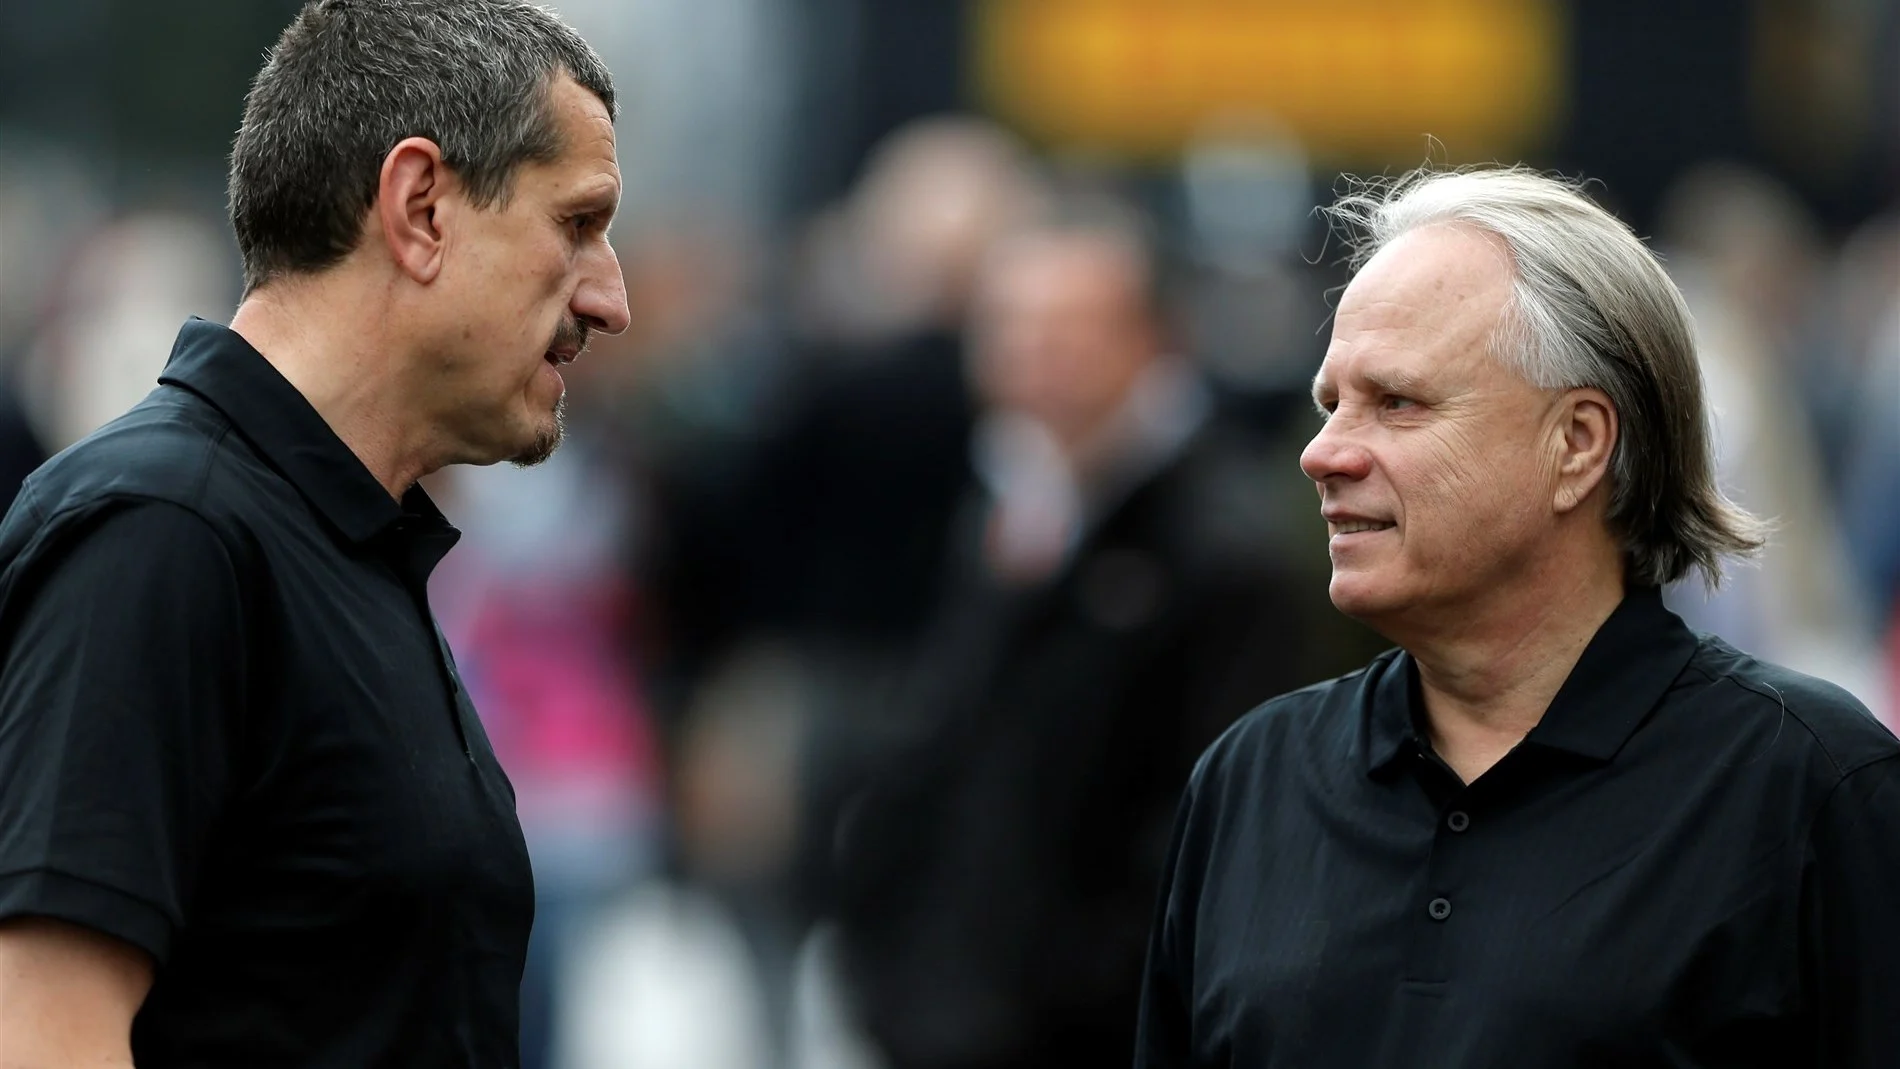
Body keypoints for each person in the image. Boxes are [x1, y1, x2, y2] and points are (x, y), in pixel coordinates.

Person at [1135, 166, 1900, 1068]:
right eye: (1331, 404)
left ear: (1577, 443)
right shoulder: (1249, 779)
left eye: (1397, 402)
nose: (1324, 452)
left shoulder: (1808, 783)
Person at [0, 1, 630, 1065]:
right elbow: (46, 1030)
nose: (611, 296)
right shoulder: (165, 529)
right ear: (421, 207)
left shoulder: (334, 539)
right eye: (576, 224)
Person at [829, 197, 1381, 1069]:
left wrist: (1077, 986)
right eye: (1009, 328)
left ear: (1154, 339)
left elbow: (1211, 822)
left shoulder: (1222, 545)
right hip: (941, 1009)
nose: (1032, 359)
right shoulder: (1004, 506)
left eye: (1068, 330)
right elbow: (939, 746)